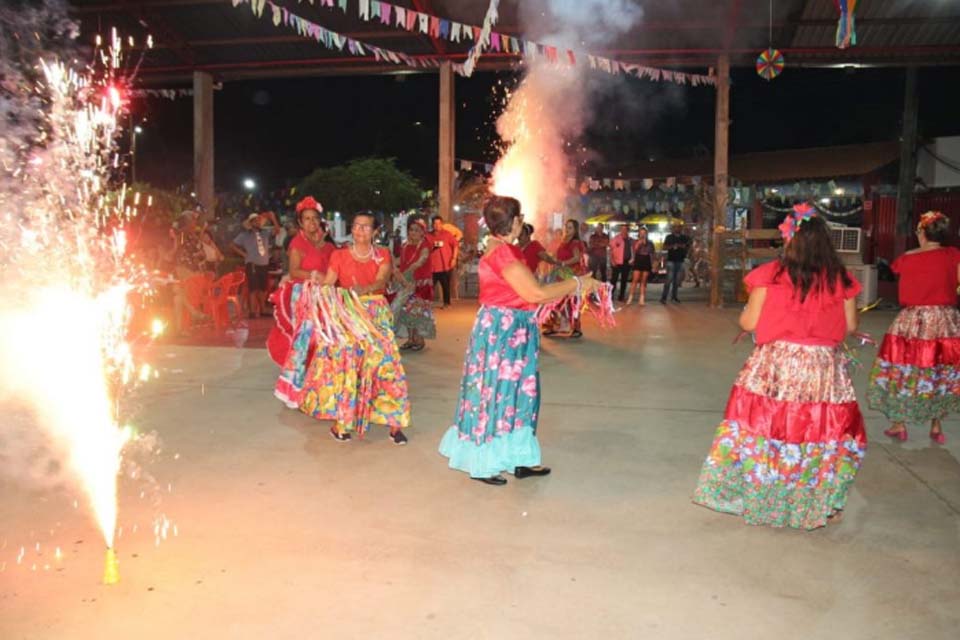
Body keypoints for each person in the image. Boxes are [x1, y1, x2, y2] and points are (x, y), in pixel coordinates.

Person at [692, 204, 865, 529]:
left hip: (777, 367)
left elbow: (748, 320)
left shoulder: (770, 274)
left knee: (771, 430)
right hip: (821, 370)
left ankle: (767, 497)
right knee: (817, 433)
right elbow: (850, 326)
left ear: (789, 240)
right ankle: (814, 501)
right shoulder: (841, 279)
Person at [438, 196, 600, 485]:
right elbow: (535, 293)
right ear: (513, 221)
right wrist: (578, 284)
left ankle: (520, 458)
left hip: (510, 329)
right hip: (504, 332)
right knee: (499, 396)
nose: (521, 222)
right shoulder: (504, 254)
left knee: (519, 397)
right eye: (519, 217)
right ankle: (485, 462)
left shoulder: (500, 249)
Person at [299, 211, 410, 444]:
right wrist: (318, 287)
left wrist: (366, 289)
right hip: (348, 313)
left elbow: (381, 280)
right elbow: (329, 283)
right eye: (357, 226)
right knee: (347, 367)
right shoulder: (339, 255)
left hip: (375, 314)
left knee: (386, 365)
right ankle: (341, 423)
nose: (360, 230)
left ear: (375, 231)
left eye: (366, 227)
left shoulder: (382, 254)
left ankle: (394, 424)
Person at [867, 211, 960, 444]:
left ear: (922, 233)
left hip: (912, 321)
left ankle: (899, 425)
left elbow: (903, 278)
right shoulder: (953, 255)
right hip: (945, 321)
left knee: (904, 370)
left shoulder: (908, 258)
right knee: (939, 371)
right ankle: (936, 426)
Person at [394, 218, 436, 351]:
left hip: (421, 284)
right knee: (406, 311)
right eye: (411, 230)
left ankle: (419, 339)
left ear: (423, 232)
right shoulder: (405, 245)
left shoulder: (425, 245)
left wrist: (407, 272)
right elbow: (399, 261)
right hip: (406, 282)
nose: (413, 233)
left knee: (418, 312)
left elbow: (420, 261)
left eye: (417, 230)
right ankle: (410, 339)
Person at [232, 211, 280, 318]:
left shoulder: (265, 232)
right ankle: (252, 312)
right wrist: (244, 254)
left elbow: (277, 230)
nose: (257, 222)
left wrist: (273, 218)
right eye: (254, 221)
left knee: (263, 288)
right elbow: (232, 245)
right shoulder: (245, 235)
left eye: (258, 220)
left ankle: (262, 310)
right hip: (252, 263)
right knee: (253, 288)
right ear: (250, 223)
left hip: (263, 263)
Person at [551, 218, 588, 338]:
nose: (567, 229)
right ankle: (564, 324)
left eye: (570, 227)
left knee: (573, 302)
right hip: (562, 275)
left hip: (572, 275)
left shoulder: (575, 242)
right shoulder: (564, 240)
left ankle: (576, 327)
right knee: (561, 301)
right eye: (566, 226)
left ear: (575, 229)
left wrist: (563, 263)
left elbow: (577, 258)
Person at [286, 196, 334, 283]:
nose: (312, 221)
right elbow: (293, 272)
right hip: (304, 292)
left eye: (315, 218)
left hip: (325, 291)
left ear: (319, 220)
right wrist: (315, 275)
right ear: (300, 222)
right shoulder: (297, 243)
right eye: (307, 218)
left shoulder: (329, 246)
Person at [428, 215, 459, 308]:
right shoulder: (428, 236)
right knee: (429, 287)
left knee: (446, 286)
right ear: (432, 225)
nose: (437, 225)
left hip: (445, 265)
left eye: (439, 223)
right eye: (435, 223)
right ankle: (427, 304)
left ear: (441, 224)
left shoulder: (447, 234)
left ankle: (447, 303)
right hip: (432, 266)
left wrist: (454, 259)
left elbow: (455, 246)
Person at [660, 223, 690, 304]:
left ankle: (674, 296)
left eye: (679, 227)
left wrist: (683, 247)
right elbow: (664, 247)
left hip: (680, 260)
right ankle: (664, 297)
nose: (677, 229)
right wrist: (673, 246)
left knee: (677, 281)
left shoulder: (684, 238)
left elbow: (688, 246)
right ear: (673, 229)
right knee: (668, 280)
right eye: (676, 227)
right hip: (671, 260)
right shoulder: (669, 237)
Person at [626, 226, 654, 305]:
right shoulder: (635, 241)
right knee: (635, 280)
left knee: (643, 281)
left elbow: (652, 253)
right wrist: (639, 243)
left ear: (646, 234)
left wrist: (653, 264)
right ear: (639, 233)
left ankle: (642, 298)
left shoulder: (650, 243)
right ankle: (630, 298)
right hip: (638, 260)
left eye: (644, 233)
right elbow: (635, 249)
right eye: (641, 233)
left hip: (646, 260)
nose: (642, 234)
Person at [608, 223, 633, 302]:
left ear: (628, 230)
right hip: (616, 262)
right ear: (620, 230)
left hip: (626, 262)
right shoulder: (615, 239)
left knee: (624, 280)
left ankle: (621, 296)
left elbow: (633, 250)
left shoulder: (630, 240)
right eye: (622, 229)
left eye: (625, 229)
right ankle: (610, 295)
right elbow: (610, 251)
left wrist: (632, 259)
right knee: (614, 280)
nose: (624, 231)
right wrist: (612, 261)